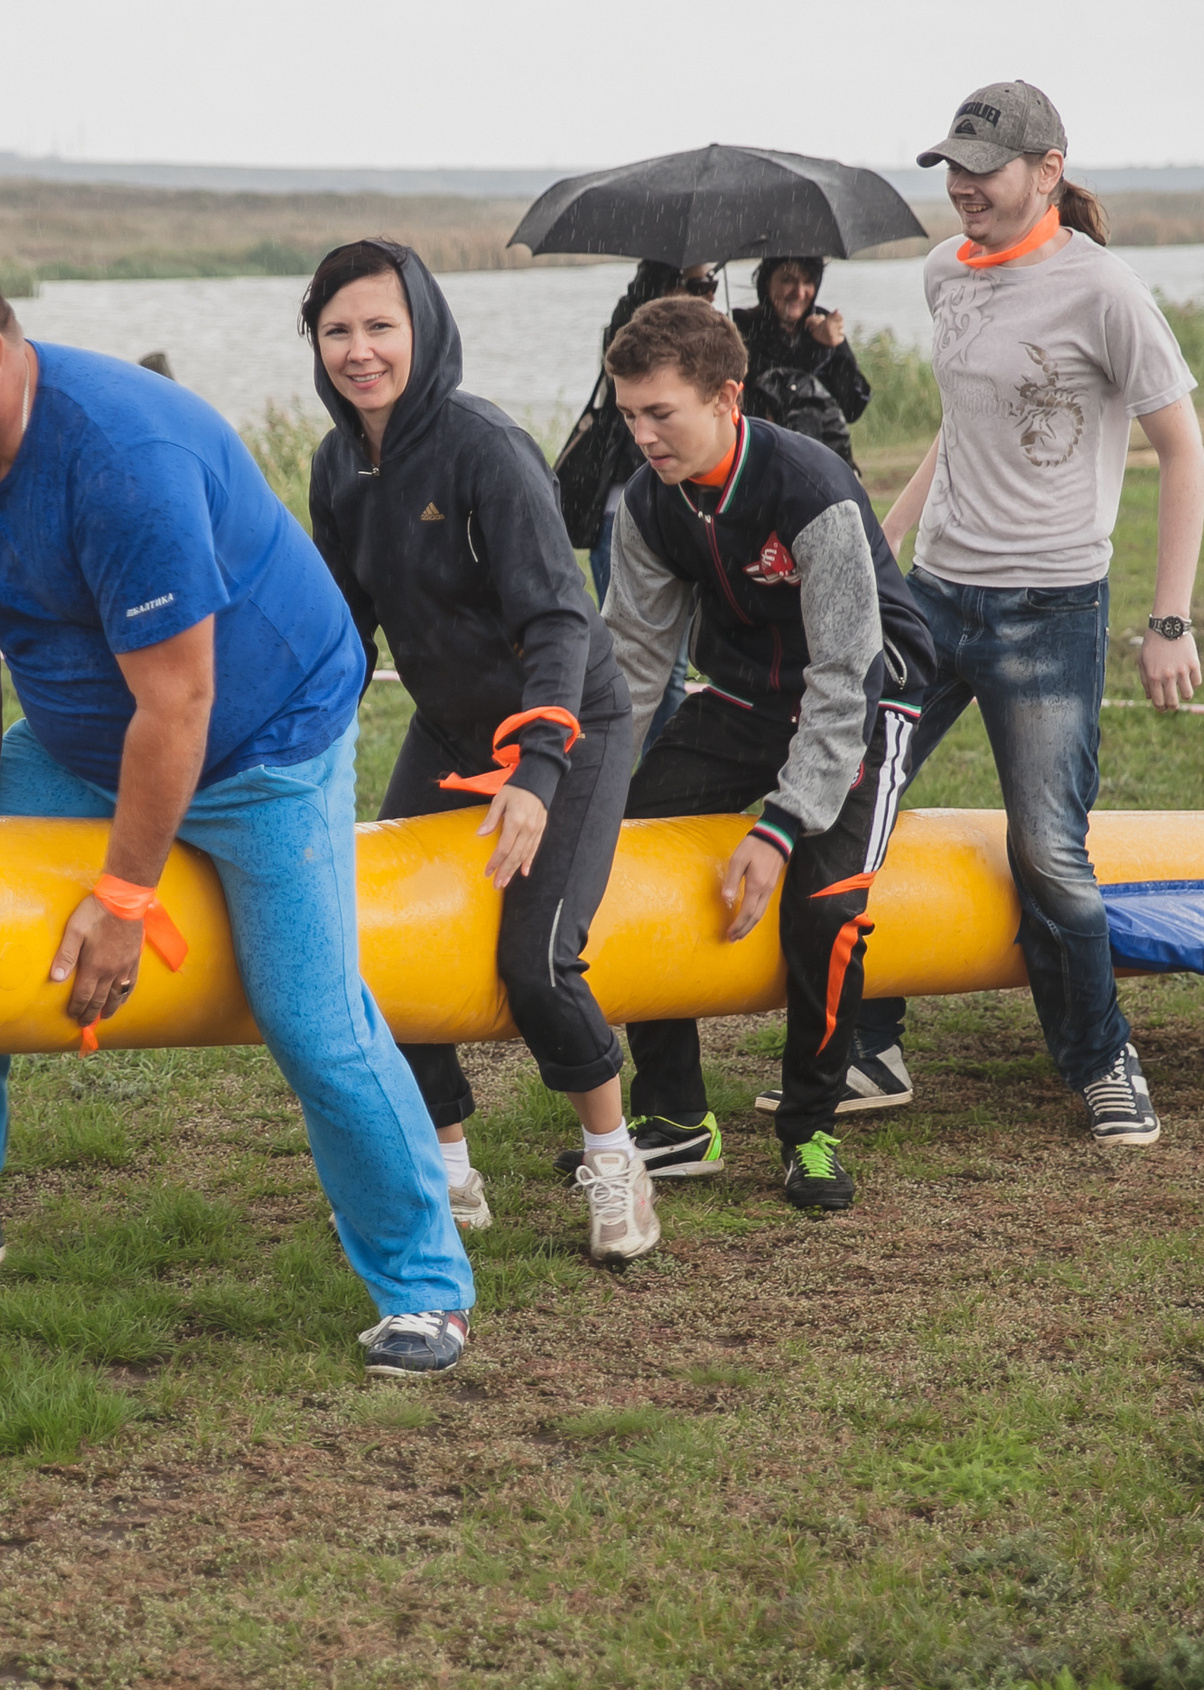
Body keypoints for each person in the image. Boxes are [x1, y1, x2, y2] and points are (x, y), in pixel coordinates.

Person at [0, 247, 477, 1380]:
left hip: (261, 741)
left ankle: (425, 1291)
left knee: (309, 1017)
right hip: (80, 743)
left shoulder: (121, 455)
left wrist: (121, 893)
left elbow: (180, 702)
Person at [851, 81, 1204, 1145]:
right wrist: (888, 543)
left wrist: (1169, 620)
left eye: (983, 166)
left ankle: (1100, 1058)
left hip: (1048, 609)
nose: (961, 185)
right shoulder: (939, 275)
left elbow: (1182, 450)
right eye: (951, 166)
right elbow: (964, 427)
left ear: (1047, 169)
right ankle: (867, 1044)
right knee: (851, 805)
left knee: (1048, 851)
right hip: (933, 604)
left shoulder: (1103, 292)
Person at [302, 240, 653, 1263]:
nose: (359, 351)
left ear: (423, 328)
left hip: (568, 729)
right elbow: (339, 632)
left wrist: (539, 773)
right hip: (450, 733)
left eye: (380, 327)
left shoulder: (484, 449)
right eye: (337, 332)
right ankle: (448, 1164)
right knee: (389, 941)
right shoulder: (338, 466)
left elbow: (556, 622)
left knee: (538, 961)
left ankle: (615, 1158)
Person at [592, 294, 935, 1210]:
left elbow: (846, 673)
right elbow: (629, 665)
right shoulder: (646, 503)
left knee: (822, 907)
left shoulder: (810, 489)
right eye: (628, 414)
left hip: (868, 695)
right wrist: (578, 789)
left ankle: (811, 1129)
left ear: (727, 397)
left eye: (660, 413)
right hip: (746, 696)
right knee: (625, 848)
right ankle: (674, 1118)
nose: (643, 437)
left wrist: (779, 825)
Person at [554, 262, 719, 748]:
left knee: (673, 665)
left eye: (709, 286)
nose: (704, 296)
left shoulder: (705, 353)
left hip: (686, 516)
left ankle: (653, 772)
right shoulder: (631, 338)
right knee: (635, 658)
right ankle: (641, 773)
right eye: (694, 286)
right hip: (620, 517)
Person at [733, 256, 872, 469]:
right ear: (767, 281)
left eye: (808, 281)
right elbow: (767, 394)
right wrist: (815, 351)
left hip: (824, 459)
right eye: (787, 280)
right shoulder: (742, 327)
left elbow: (853, 407)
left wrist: (832, 348)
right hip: (761, 460)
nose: (799, 293)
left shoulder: (823, 323)